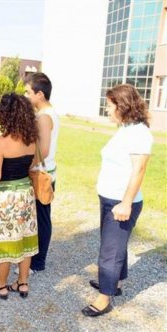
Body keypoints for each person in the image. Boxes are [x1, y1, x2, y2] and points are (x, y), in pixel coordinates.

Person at [82, 84, 153, 317]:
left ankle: (104, 298)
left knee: (109, 252)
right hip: (109, 198)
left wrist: (126, 202)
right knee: (114, 244)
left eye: (110, 105)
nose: (107, 108)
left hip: (122, 202)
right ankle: (116, 283)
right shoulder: (126, 128)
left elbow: (139, 169)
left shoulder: (139, 132)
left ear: (122, 106)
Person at [0, 93, 38, 299]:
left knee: (4, 240)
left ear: (4, 115)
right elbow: (31, 165)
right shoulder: (32, 140)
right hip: (26, 194)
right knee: (24, 238)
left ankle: (1, 286)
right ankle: (23, 283)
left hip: (5, 198)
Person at [22, 72, 59, 274]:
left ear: (40, 94)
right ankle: (35, 258)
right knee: (39, 216)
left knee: (42, 218)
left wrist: (26, 167)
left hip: (41, 174)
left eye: (28, 92)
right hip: (44, 172)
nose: (26, 96)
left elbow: (42, 151)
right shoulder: (48, 113)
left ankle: (38, 262)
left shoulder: (45, 117)